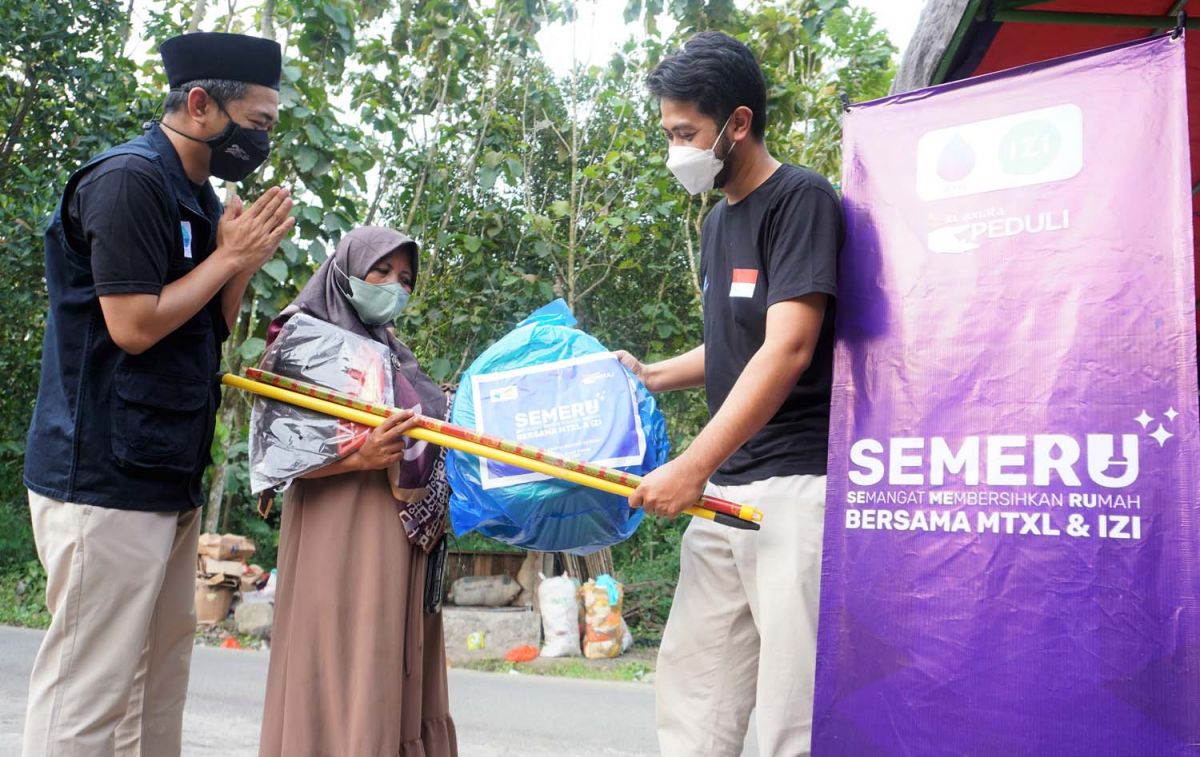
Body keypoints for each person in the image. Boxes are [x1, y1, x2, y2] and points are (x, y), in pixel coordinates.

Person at [21, 32, 292, 757]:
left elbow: (209, 329)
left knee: (156, 684)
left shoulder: (198, 196)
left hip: (167, 471)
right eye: (257, 123)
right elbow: (134, 327)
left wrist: (239, 263)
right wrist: (229, 258)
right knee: (88, 691)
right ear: (200, 104)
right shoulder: (128, 181)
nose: (261, 142)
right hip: (103, 478)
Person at [618, 31, 843, 757]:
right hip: (725, 490)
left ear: (738, 123)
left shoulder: (802, 199)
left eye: (685, 133)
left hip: (794, 489)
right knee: (696, 689)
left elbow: (788, 347)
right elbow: (735, 343)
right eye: (668, 133)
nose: (674, 149)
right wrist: (653, 374)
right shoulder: (719, 221)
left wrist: (690, 464)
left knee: (791, 708)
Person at [257, 227, 457, 757]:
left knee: (387, 658)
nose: (394, 287)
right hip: (335, 526)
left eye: (405, 279)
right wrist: (358, 456)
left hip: (398, 534)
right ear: (345, 271)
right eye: (381, 271)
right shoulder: (303, 339)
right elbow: (275, 450)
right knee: (340, 658)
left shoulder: (393, 352)